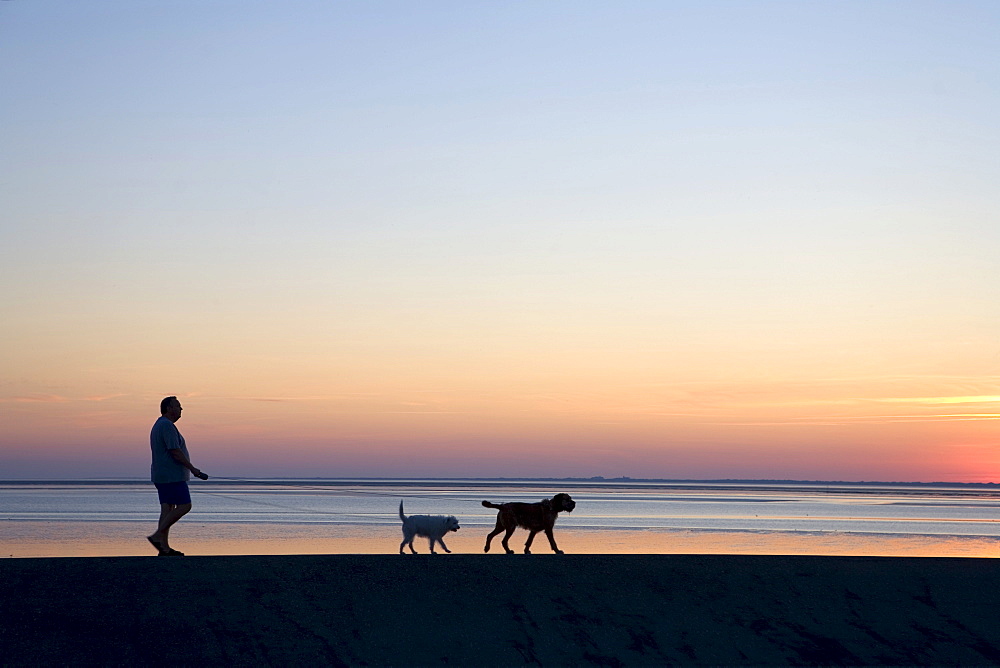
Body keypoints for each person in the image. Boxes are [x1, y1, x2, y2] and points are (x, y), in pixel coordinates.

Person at [147, 396, 208, 556]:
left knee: (167, 508)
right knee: (185, 506)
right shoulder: (166, 426)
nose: (181, 409)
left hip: (162, 474)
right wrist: (193, 469)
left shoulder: (160, 424)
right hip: (171, 475)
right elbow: (175, 451)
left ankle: (164, 548)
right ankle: (158, 535)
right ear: (169, 408)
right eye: (178, 406)